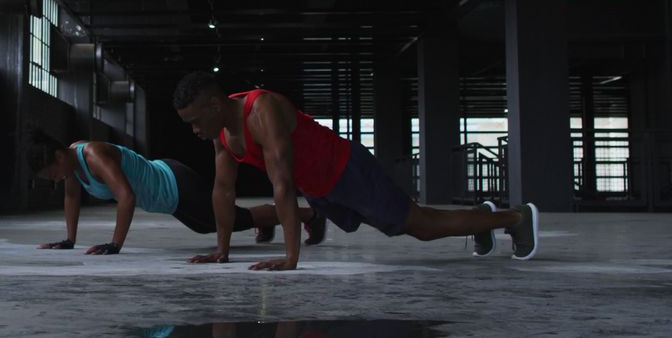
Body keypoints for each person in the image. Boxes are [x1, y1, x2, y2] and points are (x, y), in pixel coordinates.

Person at [172, 71, 539, 271]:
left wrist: (290, 259)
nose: (193, 130)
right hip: (319, 187)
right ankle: (482, 218)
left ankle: (515, 218)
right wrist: (221, 251)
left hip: (346, 169)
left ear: (216, 104)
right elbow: (223, 191)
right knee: (392, 222)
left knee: (420, 227)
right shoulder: (220, 134)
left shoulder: (261, 111)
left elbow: (282, 184)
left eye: (194, 121)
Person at [26, 128, 327, 254]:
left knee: (228, 221)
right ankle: (268, 222)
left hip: (174, 182)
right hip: (168, 197)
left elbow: (126, 197)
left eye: (53, 172)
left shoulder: (92, 155)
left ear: (59, 155)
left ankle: (309, 214)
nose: (56, 179)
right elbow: (71, 197)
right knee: (216, 225)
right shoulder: (71, 170)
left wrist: (115, 245)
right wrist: (69, 240)